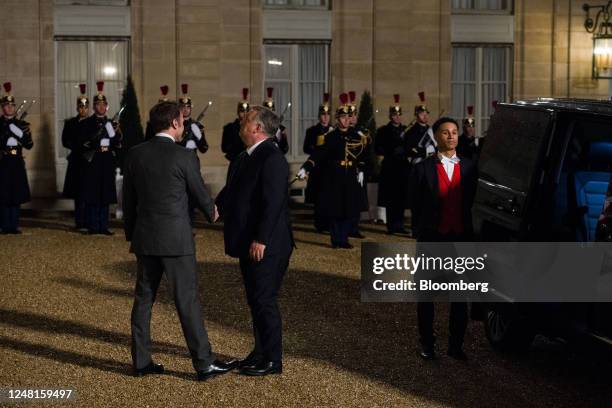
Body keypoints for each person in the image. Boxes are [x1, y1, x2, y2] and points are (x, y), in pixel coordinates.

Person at [123, 101, 237, 381]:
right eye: (182, 122)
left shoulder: (135, 154)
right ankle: (204, 363)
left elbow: (128, 201)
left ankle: (141, 362)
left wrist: (132, 234)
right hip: (176, 240)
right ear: (174, 123)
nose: (184, 126)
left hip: (146, 238)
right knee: (187, 301)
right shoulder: (183, 156)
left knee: (143, 300)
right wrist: (212, 211)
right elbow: (199, 192)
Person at [216, 106, 294, 376]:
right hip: (249, 242)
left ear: (258, 128)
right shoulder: (244, 156)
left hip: (268, 245)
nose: (241, 121)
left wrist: (261, 239)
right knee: (255, 300)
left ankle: (273, 359)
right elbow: (232, 191)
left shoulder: (272, 157)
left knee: (264, 300)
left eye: (247, 120)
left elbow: (273, 204)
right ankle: (259, 352)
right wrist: (214, 207)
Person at [408, 117, 478, 361]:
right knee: (426, 296)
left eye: (455, 132)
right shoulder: (422, 168)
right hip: (431, 239)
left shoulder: (470, 168)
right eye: (446, 132)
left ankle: (456, 346)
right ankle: (427, 344)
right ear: (436, 136)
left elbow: (472, 203)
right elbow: (414, 203)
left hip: (460, 239)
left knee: (459, 297)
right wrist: (422, 232)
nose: (451, 136)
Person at [298, 93, 369, 249]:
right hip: (335, 176)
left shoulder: (355, 136)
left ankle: (344, 238)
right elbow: (318, 154)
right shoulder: (330, 137)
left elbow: (361, 155)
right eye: (342, 118)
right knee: (336, 209)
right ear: (337, 119)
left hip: (350, 174)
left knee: (348, 208)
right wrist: (306, 167)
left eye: (347, 117)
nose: (345, 120)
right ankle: (336, 239)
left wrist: (362, 170)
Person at [80, 81, 122, 235]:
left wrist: (113, 132)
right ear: (93, 107)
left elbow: (118, 143)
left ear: (107, 106)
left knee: (105, 193)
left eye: (103, 105)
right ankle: (93, 226)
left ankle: (103, 226)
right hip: (93, 159)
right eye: (98, 105)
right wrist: (95, 140)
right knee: (92, 193)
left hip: (106, 159)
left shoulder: (111, 123)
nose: (101, 107)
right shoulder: (87, 123)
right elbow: (83, 143)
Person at [0, 82, 33, 234]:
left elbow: (29, 145)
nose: (10, 108)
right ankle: (4, 225)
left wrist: (18, 132)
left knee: (16, 192)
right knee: (4, 193)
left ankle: (14, 225)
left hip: (17, 161)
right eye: (6, 106)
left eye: (12, 106)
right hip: (3, 161)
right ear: (2, 108)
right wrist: (5, 133)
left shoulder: (22, 124)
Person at [375, 94, 410, 234]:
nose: (397, 117)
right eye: (394, 115)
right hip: (390, 168)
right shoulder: (383, 131)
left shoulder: (406, 130)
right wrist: (391, 149)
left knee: (401, 197)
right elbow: (378, 148)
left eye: (399, 115)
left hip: (402, 168)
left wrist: (404, 149)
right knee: (391, 198)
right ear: (390, 116)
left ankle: (400, 225)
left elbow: (410, 147)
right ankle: (391, 226)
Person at [303, 92, 332, 233]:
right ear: (319, 116)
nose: (325, 117)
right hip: (317, 167)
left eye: (327, 115)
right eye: (323, 114)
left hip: (330, 168)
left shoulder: (334, 131)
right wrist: (316, 147)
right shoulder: (312, 131)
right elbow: (306, 147)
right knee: (319, 196)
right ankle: (319, 223)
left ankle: (328, 223)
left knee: (330, 196)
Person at [62, 83, 89, 231]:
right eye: (80, 107)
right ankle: (79, 222)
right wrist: (77, 146)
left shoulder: (92, 122)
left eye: (85, 107)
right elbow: (65, 140)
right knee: (78, 193)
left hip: (89, 160)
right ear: (77, 108)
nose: (83, 110)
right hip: (76, 160)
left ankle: (89, 221)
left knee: (88, 191)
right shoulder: (70, 123)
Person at [346, 90, 369, 239]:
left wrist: (362, 168)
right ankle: (348, 226)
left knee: (358, 199)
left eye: (354, 115)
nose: (353, 118)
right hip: (347, 169)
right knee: (348, 199)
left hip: (358, 169)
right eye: (350, 115)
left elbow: (366, 152)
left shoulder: (362, 131)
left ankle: (355, 226)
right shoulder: (345, 132)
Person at [178, 83, 209, 157]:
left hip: (192, 160)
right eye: (183, 107)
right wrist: (185, 144)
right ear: (179, 108)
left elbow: (204, 149)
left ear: (191, 108)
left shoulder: (197, 125)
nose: (185, 110)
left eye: (188, 107)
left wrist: (199, 138)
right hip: (178, 159)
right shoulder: (175, 124)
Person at [221, 88, 249, 162]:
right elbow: (224, 148)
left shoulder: (253, 128)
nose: (245, 114)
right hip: (235, 160)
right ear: (238, 112)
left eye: (247, 111)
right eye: (242, 111)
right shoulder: (229, 128)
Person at [263, 87, 289, 154]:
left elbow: (285, 149)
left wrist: (281, 136)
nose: (270, 114)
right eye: (268, 112)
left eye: (272, 111)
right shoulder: (259, 127)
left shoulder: (281, 128)